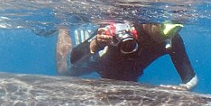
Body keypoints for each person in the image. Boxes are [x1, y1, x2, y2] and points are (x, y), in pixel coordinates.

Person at [55, 22, 198, 89]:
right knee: (63, 72)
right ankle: (63, 28)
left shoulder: (171, 39)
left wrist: (184, 88)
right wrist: (96, 43)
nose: (166, 33)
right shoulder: (118, 30)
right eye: (163, 27)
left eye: (174, 28)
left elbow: (190, 78)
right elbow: (74, 58)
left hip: (130, 76)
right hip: (99, 64)